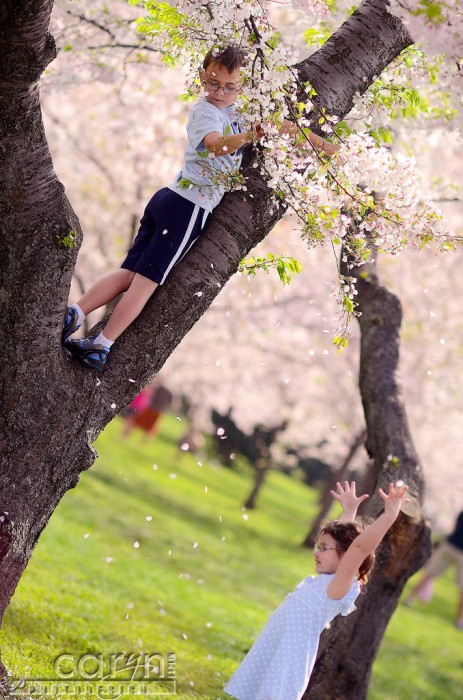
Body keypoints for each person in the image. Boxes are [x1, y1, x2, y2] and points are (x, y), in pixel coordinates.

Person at [62, 45, 337, 371]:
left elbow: (281, 128)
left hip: (172, 199)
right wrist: (250, 134)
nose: (220, 92)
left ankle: (74, 314)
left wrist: (321, 144)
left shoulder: (235, 113)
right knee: (145, 282)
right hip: (187, 207)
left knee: (131, 274)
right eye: (212, 82)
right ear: (201, 77)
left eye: (229, 86)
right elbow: (214, 145)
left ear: (243, 86)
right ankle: (102, 344)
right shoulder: (206, 113)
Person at [224, 480, 409, 700]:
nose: (316, 553)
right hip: (275, 648)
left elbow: (357, 548)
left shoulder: (336, 588)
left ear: (345, 555)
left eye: (323, 548)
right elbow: (343, 544)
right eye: (317, 547)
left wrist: (389, 516)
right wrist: (349, 512)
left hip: (288, 660)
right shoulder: (323, 581)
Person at [405, 510, 463, 630]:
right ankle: (459, 620)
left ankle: (410, 598)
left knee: (429, 574)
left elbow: (456, 524)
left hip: (449, 544)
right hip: (457, 550)